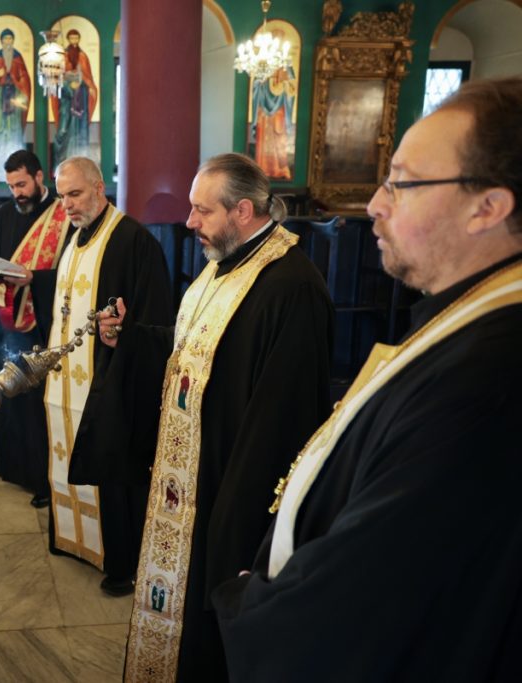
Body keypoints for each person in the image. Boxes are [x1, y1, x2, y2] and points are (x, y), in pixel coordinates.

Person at [211, 77, 522, 680]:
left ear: (489, 207)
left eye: (401, 183)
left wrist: (255, 602)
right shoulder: (469, 313)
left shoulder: (490, 374)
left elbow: (378, 584)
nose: (375, 204)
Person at [101, 153, 334, 680]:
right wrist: (133, 333)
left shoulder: (290, 287)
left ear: (243, 211)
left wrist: (236, 520)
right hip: (193, 481)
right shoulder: (222, 266)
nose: (189, 223)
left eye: (201, 211)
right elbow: (197, 353)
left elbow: (284, 422)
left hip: (227, 491)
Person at [6, 156, 173, 596]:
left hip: (110, 382)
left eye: (75, 194)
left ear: (100, 188)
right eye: (61, 197)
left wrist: (125, 339)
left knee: (112, 470)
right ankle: (75, 540)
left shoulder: (134, 241)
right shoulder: (75, 239)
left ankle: (119, 560)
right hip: (66, 381)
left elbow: (158, 322)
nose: (67, 206)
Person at [0, 150, 72, 506]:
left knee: (38, 402)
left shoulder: (64, 216)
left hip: (47, 323)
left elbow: (69, 271)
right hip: (11, 321)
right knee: (12, 391)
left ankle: (42, 480)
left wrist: (35, 278)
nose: (16, 192)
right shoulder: (4, 214)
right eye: (10, 186)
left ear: (39, 176)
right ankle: (15, 467)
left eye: (21, 184)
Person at [0, 29, 31, 182]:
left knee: (14, 133)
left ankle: (17, 173)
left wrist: (18, 83)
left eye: (10, 38)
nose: (8, 42)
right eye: (5, 39)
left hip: (15, 103)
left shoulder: (18, 57)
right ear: (1, 41)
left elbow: (25, 79)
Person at [51, 29, 98, 168]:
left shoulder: (83, 56)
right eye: (71, 38)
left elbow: (88, 78)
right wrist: (68, 83)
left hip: (80, 100)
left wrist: (82, 83)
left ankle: (80, 166)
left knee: (79, 131)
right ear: (68, 39)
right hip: (65, 100)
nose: (74, 41)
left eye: (76, 38)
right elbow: (56, 79)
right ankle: (60, 165)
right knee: (63, 130)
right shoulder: (62, 56)